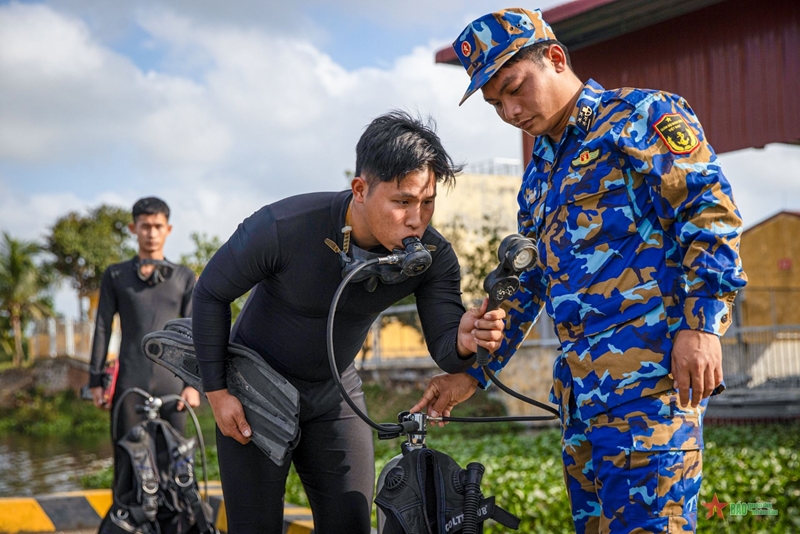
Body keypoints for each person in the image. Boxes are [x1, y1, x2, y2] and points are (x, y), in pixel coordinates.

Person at [412, 8, 748, 533]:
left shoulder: (641, 117)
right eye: (495, 103)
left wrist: (702, 327)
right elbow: (529, 284)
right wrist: (472, 373)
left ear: (554, 57)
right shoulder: (539, 175)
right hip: (580, 405)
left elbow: (711, 216)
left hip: (649, 392)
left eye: (514, 88)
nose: (509, 111)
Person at [191, 110, 507, 533]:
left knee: (352, 524)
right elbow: (210, 293)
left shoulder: (433, 257)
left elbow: (446, 348)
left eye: (427, 202)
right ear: (360, 189)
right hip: (255, 391)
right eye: (402, 202)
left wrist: (465, 342)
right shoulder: (283, 226)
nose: (417, 219)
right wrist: (216, 391)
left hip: (334, 394)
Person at [90, 197, 200, 440]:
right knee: (128, 454)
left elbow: (194, 332)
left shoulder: (183, 277)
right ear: (133, 228)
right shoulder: (116, 275)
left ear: (168, 229)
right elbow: (102, 327)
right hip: (129, 381)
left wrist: (193, 385)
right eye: (145, 226)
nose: (152, 233)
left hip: (173, 382)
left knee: (175, 455)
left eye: (158, 226)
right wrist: (95, 381)